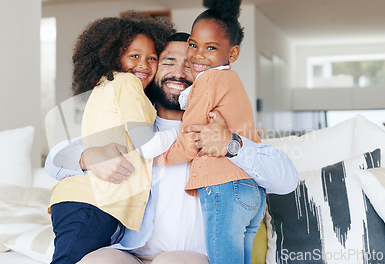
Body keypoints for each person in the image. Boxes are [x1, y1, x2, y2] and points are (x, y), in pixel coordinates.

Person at [45, 32, 298, 264]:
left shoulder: (219, 126)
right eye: (168, 62)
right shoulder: (132, 125)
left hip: (191, 257)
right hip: (130, 253)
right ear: (151, 71)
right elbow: (54, 162)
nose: (179, 72)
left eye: (189, 65)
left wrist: (231, 145)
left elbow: (286, 180)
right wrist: (88, 156)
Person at [48, 13, 176, 264]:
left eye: (153, 58)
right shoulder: (126, 84)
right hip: (91, 204)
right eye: (134, 56)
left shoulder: (107, 89)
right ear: (113, 57)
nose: (145, 64)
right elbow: (55, 159)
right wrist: (88, 156)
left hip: (94, 208)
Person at [158, 0, 262, 263]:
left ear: (233, 53)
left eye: (211, 48)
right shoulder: (232, 80)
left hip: (224, 188)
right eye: (193, 44)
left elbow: (191, 136)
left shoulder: (209, 81)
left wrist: (160, 159)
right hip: (251, 190)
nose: (197, 55)